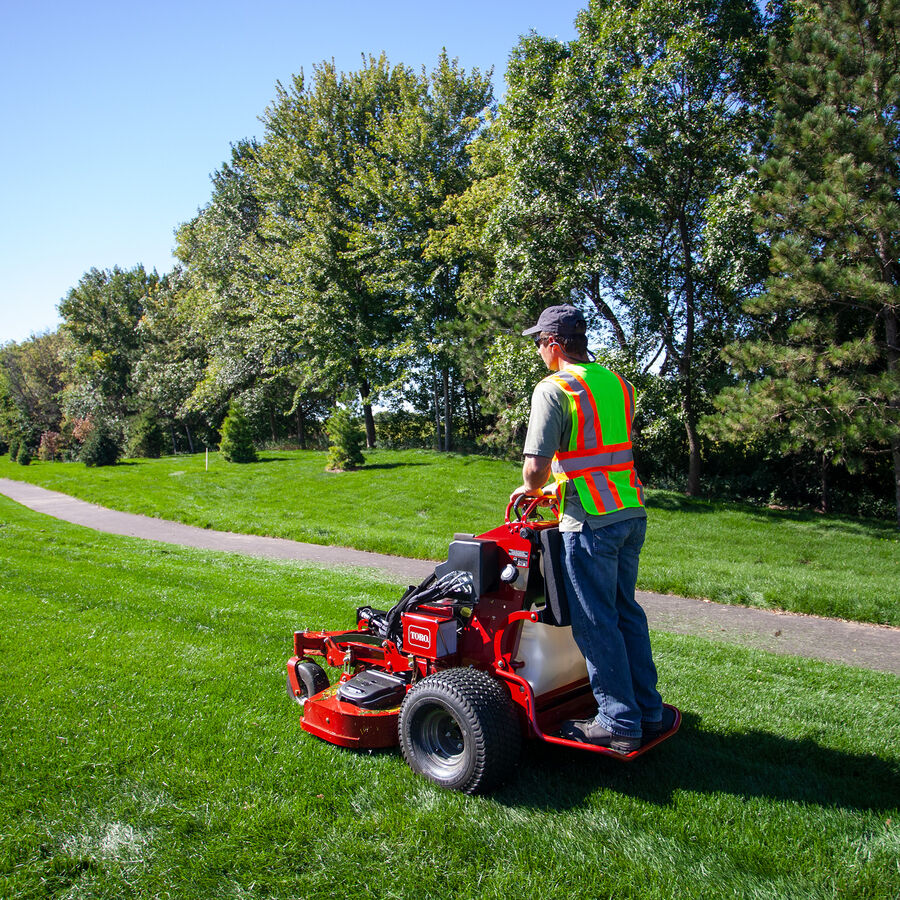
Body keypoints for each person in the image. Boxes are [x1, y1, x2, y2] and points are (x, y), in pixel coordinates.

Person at [510, 304, 663, 752]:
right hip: (630, 511)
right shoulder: (618, 383)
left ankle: (618, 722)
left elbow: (536, 466)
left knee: (596, 622)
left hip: (591, 521)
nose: (539, 350)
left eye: (540, 342)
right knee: (625, 613)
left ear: (555, 345)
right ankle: (646, 711)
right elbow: (600, 450)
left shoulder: (553, 388)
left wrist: (529, 488)